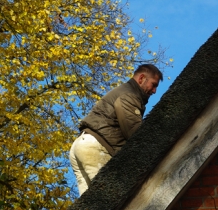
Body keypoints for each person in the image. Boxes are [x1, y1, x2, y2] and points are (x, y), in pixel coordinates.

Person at [70, 64, 163, 195]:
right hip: (96, 148)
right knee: (110, 198)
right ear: (142, 78)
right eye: (154, 85)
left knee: (90, 209)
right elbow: (135, 134)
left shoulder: (124, 91)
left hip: (80, 146)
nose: (154, 91)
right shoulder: (129, 95)